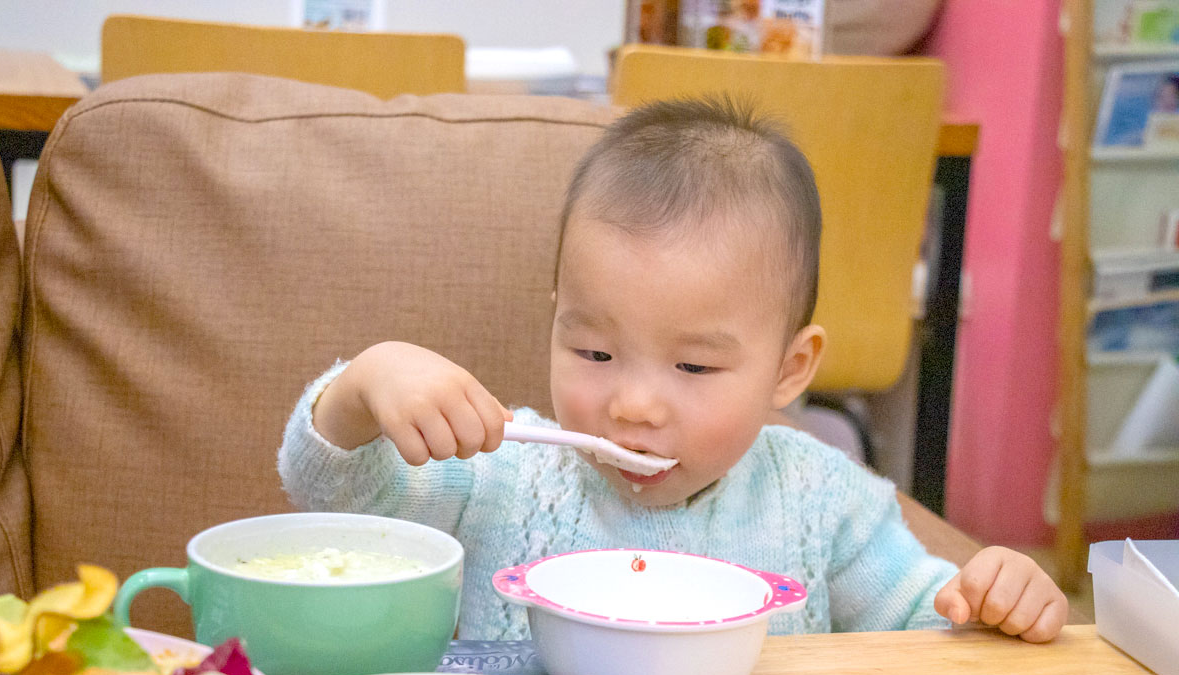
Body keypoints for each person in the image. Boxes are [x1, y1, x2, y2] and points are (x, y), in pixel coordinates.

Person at [278, 96, 1068, 643]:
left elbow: (924, 626)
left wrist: (991, 599)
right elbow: (332, 490)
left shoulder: (822, 501)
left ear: (790, 369)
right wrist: (366, 387)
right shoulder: (504, 475)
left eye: (693, 365)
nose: (634, 406)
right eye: (594, 353)